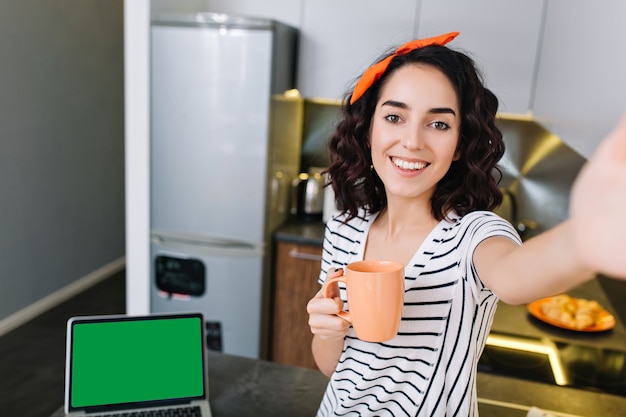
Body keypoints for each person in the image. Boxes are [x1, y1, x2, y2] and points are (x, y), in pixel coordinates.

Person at [306, 31, 626, 416]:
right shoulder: (345, 228)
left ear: (459, 145)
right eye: (394, 117)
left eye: (438, 124)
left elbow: (514, 276)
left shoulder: (472, 235)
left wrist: (588, 235)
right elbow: (332, 368)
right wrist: (327, 331)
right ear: (369, 128)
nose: (411, 141)